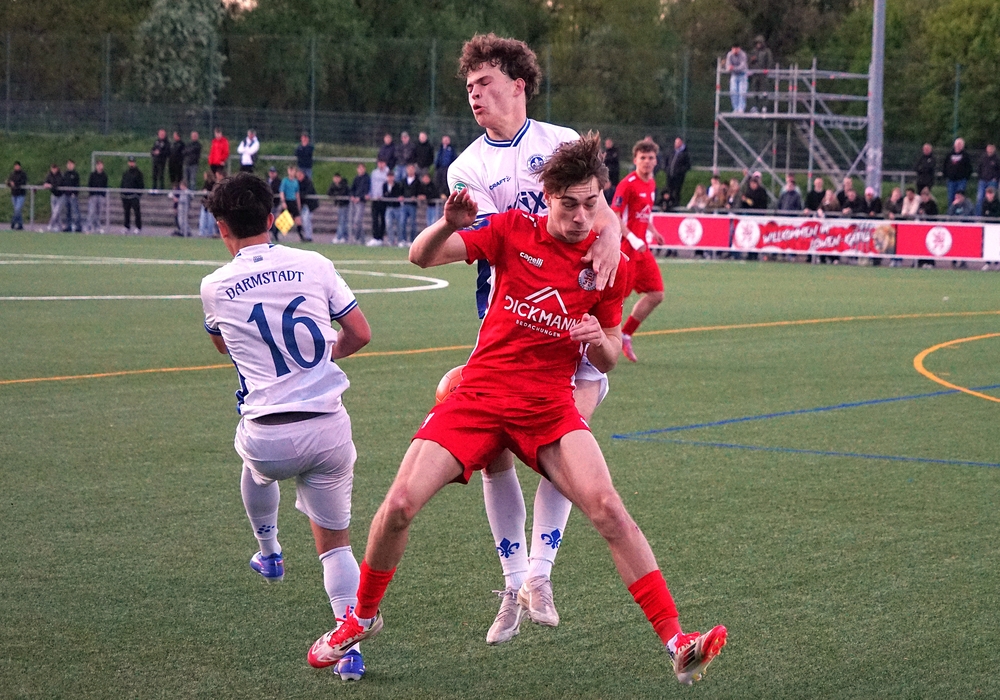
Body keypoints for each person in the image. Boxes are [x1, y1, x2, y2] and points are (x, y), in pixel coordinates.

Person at [306, 134, 727, 685]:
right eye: (568, 204)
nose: (581, 217)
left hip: (548, 405)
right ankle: (360, 618)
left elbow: (608, 353)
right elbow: (421, 256)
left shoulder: (609, 262)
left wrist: (596, 339)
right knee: (400, 505)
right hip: (480, 395)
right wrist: (448, 224)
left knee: (608, 508)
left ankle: (677, 641)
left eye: (590, 204)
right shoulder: (511, 230)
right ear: (546, 196)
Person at [443, 33, 626, 646]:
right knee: (495, 452)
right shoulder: (467, 167)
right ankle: (512, 583)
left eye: (485, 83)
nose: (475, 95)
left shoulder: (562, 141)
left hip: (574, 317)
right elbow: (497, 235)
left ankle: (540, 576)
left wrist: (610, 232)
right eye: (469, 87)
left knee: (566, 440)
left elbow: (601, 209)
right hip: (509, 323)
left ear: (518, 85)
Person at [200, 171, 372, 682]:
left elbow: (224, 346)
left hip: (267, 435)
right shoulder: (315, 263)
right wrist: (320, 359)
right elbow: (360, 332)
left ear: (221, 227)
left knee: (253, 465)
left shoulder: (214, 286)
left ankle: (269, 551)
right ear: (273, 214)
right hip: (327, 428)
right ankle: (349, 652)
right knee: (336, 545)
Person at [613, 139, 664, 363]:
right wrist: (633, 239)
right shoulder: (627, 184)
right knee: (617, 300)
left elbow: (644, 213)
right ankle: (598, 345)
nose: (647, 161)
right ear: (635, 160)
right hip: (626, 249)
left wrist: (654, 231)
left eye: (650, 158)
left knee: (656, 294)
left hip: (642, 250)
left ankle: (626, 334)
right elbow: (615, 215)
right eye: (642, 158)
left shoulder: (651, 183)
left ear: (656, 161)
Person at [943, 138, 972, 209]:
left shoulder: (966, 156)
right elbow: (945, 165)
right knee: (950, 198)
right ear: (954, 145)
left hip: (961, 180)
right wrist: (946, 175)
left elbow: (969, 167)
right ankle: (950, 213)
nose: (959, 146)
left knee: (960, 198)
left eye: (960, 144)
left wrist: (966, 177)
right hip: (951, 180)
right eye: (958, 144)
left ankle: (960, 212)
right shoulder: (949, 154)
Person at [748, 35, 773, 113]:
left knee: (764, 91)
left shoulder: (767, 51)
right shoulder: (753, 51)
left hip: (763, 74)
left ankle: (764, 106)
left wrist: (767, 69)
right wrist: (751, 61)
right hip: (755, 74)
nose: (758, 44)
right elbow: (749, 62)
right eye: (757, 43)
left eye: (760, 43)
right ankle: (754, 106)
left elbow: (770, 61)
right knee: (754, 90)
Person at [120, 156, 144, 234]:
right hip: (126, 196)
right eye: (130, 162)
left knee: (137, 212)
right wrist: (122, 193)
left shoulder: (138, 173)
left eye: (133, 162)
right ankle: (126, 226)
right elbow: (123, 183)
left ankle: (138, 227)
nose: (131, 164)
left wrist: (138, 194)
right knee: (126, 212)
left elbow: (141, 185)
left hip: (134, 196)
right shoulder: (126, 173)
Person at [665, 137, 691, 209]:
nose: (676, 144)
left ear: (681, 143)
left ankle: (675, 204)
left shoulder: (685, 153)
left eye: (678, 142)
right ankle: (668, 203)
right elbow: (667, 160)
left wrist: (679, 171)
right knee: (669, 189)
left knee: (677, 190)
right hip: (670, 174)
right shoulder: (671, 151)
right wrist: (667, 169)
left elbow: (687, 165)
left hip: (679, 176)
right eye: (675, 142)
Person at [279, 165, 303, 240]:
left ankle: (301, 236)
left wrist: (298, 204)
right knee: (281, 219)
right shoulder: (285, 181)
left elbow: (297, 194)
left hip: (293, 201)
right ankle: (275, 234)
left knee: (298, 220)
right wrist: (283, 202)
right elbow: (282, 192)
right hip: (287, 201)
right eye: (290, 170)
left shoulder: (296, 182)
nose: (291, 172)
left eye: (293, 170)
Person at [369, 160, 390, 245]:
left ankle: (381, 237)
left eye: (382, 163)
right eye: (379, 163)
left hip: (383, 199)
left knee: (382, 219)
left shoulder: (388, 172)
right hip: (374, 199)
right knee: (375, 219)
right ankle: (375, 237)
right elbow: (371, 184)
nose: (381, 165)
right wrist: (370, 194)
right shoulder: (374, 173)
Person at [85, 160, 108, 233]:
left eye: (101, 165)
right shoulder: (92, 175)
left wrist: (103, 195)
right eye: (98, 165)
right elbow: (90, 184)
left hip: (101, 196)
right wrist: (91, 194)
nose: (99, 166)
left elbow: (105, 185)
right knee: (91, 212)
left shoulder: (104, 175)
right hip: (93, 196)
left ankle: (97, 227)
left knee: (99, 213)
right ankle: (88, 227)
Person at [975, 144, 999, 217]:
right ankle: (979, 217)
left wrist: (996, 178)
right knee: (980, 198)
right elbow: (979, 168)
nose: (990, 149)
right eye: (989, 148)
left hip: (992, 181)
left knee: (991, 199)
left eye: (991, 148)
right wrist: (980, 177)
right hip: (982, 181)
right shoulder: (983, 158)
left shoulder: (997, 159)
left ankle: (992, 216)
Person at [724, 43, 748, 113]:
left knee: (742, 92)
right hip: (734, 75)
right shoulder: (729, 54)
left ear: (739, 49)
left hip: (742, 75)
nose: (735, 50)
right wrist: (729, 68)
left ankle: (741, 109)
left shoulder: (743, 55)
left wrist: (733, 68)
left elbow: (742, 66)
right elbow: (727, 65)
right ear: (732, 49)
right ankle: (735, 108)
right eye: (734, 49)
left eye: (736, 49)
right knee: (733, 91)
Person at [349, 163, 370, 243]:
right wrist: (352, 196)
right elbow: (352, 189)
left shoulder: (367, 178)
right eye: (359, 168)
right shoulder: (356, 178)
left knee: (357, 220)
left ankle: (356, 237)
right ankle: (362, 239)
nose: (361, 170)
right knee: (357, 221)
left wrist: (360, 197)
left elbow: (366, 190)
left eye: (362, 168)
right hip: (354, 202)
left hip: (361, 202)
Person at [400, 163, 420, 244]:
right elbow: (401, 190)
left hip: (412, 205)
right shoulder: (404, 180)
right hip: (404, 204)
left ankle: (412, 240)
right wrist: (401, 196)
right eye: (409, 169)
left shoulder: (417, 181)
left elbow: (419, 192)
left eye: (412, 169)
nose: (410, 171)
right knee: (402, 222)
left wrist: (415, 197)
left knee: (412, 223)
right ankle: (403, 240)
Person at [381, 171, 403, 246]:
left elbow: (398, 194)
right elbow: (385, 195)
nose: (390, 178)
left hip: (397, 207)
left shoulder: (397, 185)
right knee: (389, 224)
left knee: (399, 224)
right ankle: (391, 240)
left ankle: (400, 240)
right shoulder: (385, 185)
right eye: (389, 177)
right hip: (389, 207)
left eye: (391, 177)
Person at [328, 173, 351, 242]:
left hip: (344, 205)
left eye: (337, 178)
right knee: (342, 221)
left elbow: (342, 193)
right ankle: (345, 236)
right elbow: (329, 193)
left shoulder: (344, 185)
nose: (336, 180)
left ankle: (339, 237)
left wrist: (336, 194)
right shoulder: (333, 185)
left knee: (342, 221)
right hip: (339, 205)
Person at [296, 168, 318, 242]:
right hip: (303, 205)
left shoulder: (308, 182)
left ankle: (309, 236)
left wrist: (299, 195)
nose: (299, 176)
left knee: (307, 220)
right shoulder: (297, 183)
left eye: (300, 175)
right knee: (304, 220)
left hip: (309, 204)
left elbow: (307, 192)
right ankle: (306, 236)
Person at [60, 160, 82, 232]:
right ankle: (68, 226)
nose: (69, 165)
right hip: (66, 195)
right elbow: (62, 183)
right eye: (68, 164)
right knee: (67, 211)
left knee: (75, 211)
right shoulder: (65, 174)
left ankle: (78, 226)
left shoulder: (75, 174)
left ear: (73, 165)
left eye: (71, 164)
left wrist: (74, 193)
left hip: (73, 196)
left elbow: (77, 184)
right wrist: (63, 192)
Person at [199, 170, 220, 238]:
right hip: (205, 203)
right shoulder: (206, 183)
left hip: (210, 203)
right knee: (203, 219)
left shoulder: (212, 183)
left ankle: (209, 233)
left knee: (210, 219)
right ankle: (203, 233)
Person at [6, 161, 27, 230]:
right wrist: (9, 183)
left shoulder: (23, 174)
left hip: (21, 194)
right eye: (15, 166)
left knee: (17, 209)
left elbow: (23, 182)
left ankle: (13, 222)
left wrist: (15, 183)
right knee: (17, 210)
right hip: (14, 194)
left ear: (20, 166)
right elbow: (8, 182)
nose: (16, 167)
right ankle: (20, 225)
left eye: (18, 166)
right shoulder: (12, 174)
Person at [43, 163, 64, 231]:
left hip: (60, 196)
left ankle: (50, 225)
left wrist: (51, 185)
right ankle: (59, 226)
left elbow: (58, 184)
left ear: (57, 169)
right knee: (54, 212)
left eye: (54, 169)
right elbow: (46, 181)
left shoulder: (60, 175)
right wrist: (45, 184)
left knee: (56, 212)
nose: (53, 170)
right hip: (53, 195)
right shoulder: (50, 175)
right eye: (52, 169)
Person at [265, 166, 282, 240]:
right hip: (267, 204)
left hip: (275, 203)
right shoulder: (266, 181)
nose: (272, 174)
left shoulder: (278, 181)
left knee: (276, 219)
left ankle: (275, 234)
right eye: (271, 172)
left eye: (273, 172)